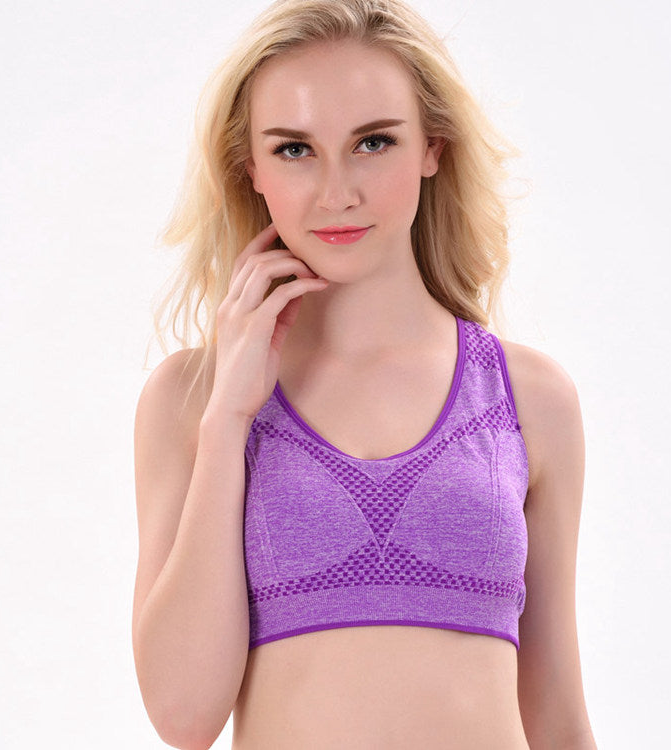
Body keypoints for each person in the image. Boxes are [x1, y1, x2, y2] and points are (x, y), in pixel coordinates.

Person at [132, 1, 597, 748]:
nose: (337, 192)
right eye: (295, 149)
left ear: (432, 147)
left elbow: (558, 718)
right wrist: (229, 419)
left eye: (373, 142)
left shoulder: (529, 398)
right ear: (251, 168)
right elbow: (183, 717)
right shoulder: (191, 401)